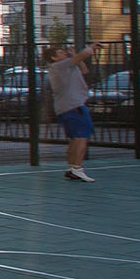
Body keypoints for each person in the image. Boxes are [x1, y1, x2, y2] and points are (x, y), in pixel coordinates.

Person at [47, 44, 97, 182]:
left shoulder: (66, 67)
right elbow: (84, 55)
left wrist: (75, 56)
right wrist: (91, 47)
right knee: (82, 137)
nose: (64, 53)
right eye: (60, 52)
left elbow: (84, 70)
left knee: (75, 138)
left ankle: (71, 168)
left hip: (67, 107)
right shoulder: (60, 66)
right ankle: (77, 168)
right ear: (53, 57)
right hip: (74, 106)